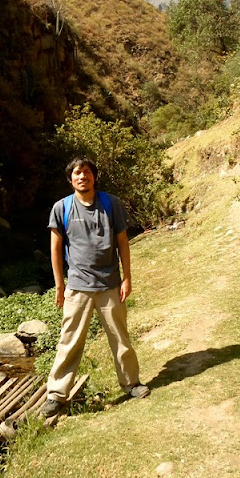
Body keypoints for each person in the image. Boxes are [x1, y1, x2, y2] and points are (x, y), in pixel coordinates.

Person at [41, 157, 150, 418]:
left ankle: (131, 384)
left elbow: (123, 241)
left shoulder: (111, 204)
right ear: (71, 180)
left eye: (87, 172)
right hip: (77, 286)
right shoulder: (62, 208)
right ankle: (56, 395)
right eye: (77, 173)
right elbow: (55, 248)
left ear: (94, 177)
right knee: (69, 341)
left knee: (120, 337)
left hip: (110, 283)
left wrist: (127, 278)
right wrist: (59, 285)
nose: (82, 177)